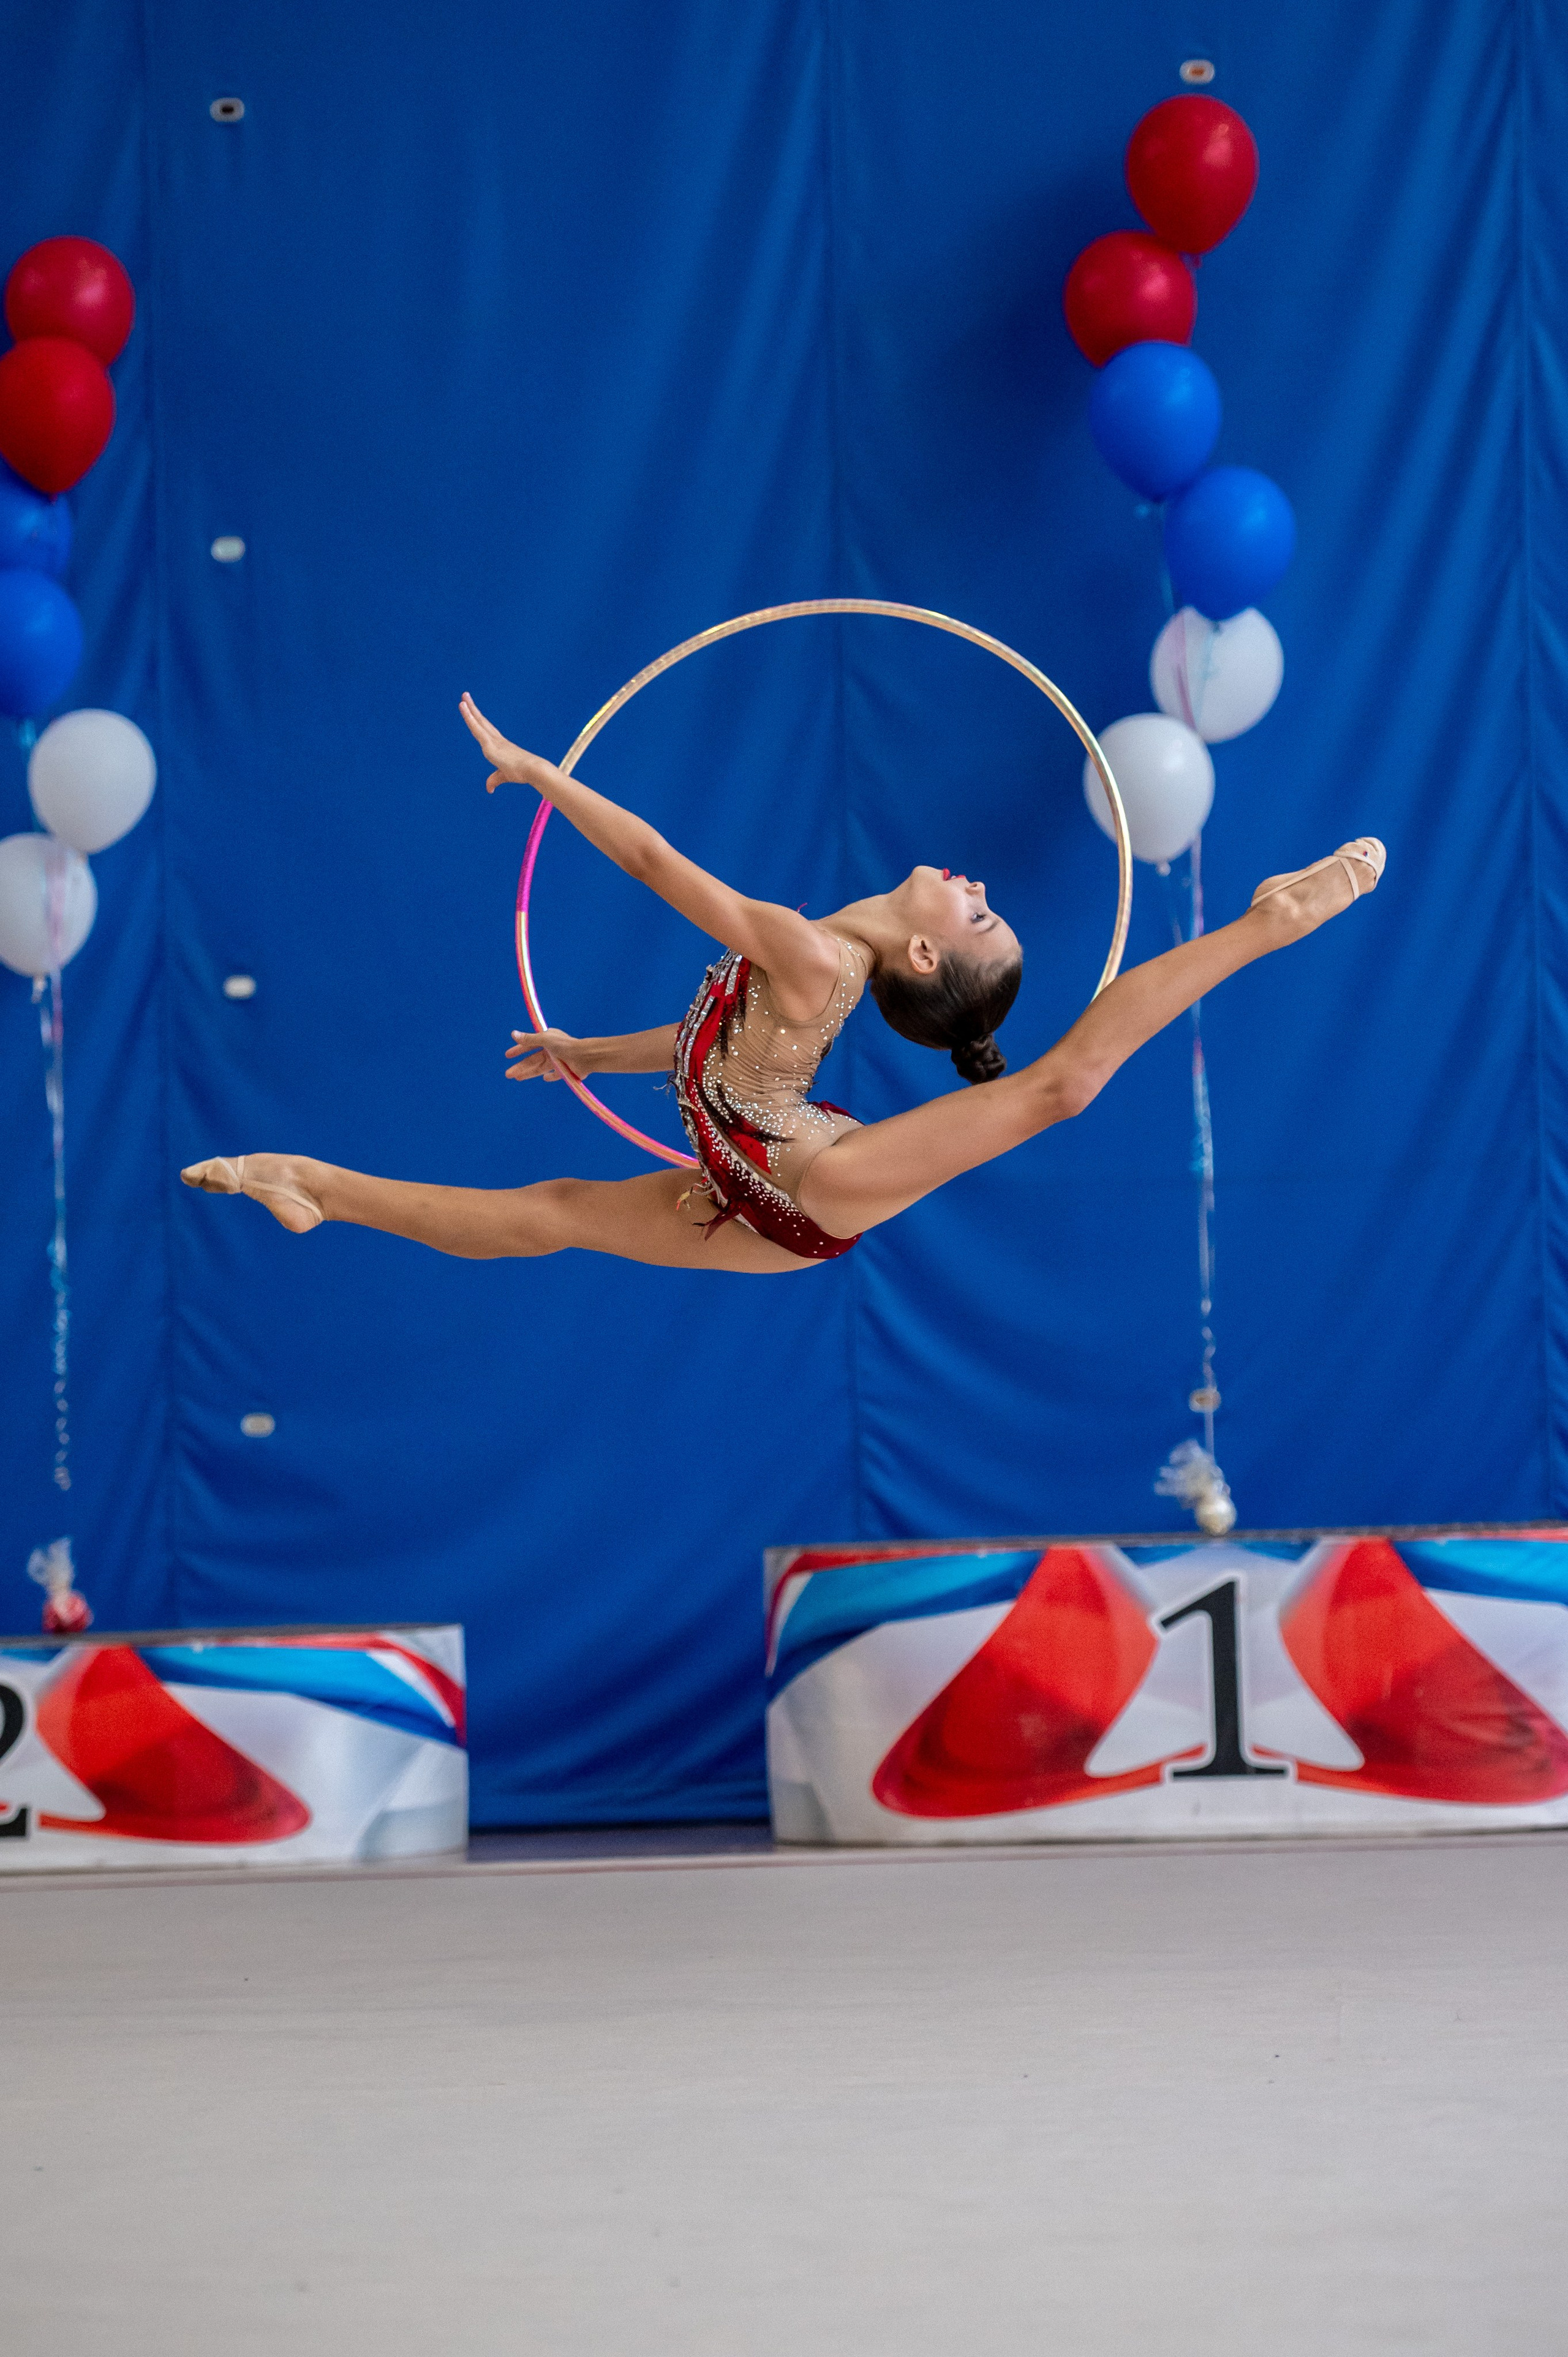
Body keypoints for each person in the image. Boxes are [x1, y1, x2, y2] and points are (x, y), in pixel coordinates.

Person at [181, 692, 1384, 1275]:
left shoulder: (807, 954)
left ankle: (1265, 922)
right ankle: (313, 1183)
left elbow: (654, 859)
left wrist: (544, 775)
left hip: (810, 1183)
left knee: (1059, 1087)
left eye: (975, 909)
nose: (968, 880)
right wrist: (590, 1054)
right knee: (547, 1209)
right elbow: (719, 1054)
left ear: (926, 954)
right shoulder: (826, 974)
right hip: (751, 1181)